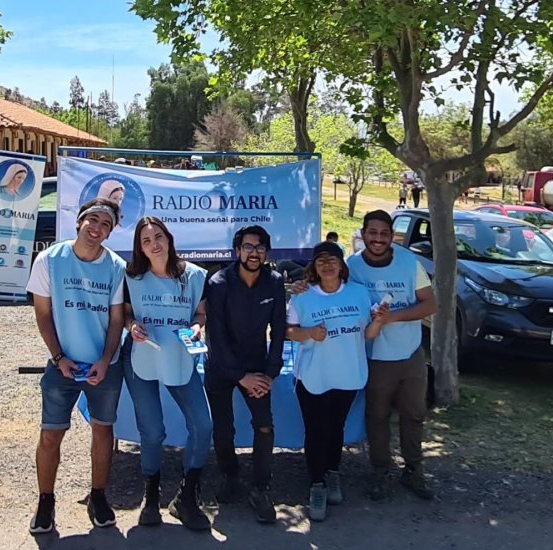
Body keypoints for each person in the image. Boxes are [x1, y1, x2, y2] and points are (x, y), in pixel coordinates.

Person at [24, 197, 126, 534]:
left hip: (103, 367)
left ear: (110, 233)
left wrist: (105, 360)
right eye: (93, 220)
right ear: (80, 221)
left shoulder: (116, 267)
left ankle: (98, 496)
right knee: (51, 434)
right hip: (62, 365)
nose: (97, 229)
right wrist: (58, 358)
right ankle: (45, 500)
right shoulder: (49, 260)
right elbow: (42, 313)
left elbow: (116, 320)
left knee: (103, 431)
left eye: (105, 225)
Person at [122, 216, 213, 530]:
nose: (154, 245)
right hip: (142, 359)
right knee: (152, 431)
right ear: (140, 248)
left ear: (169, 238)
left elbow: (200, 312)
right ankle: (151, 498)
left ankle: (186, 498)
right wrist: (131, 326)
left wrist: (198, 327)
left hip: (180, 357)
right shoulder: (131, 277)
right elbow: (126, 315)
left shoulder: (195, 275)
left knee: (203, 425)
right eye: (146, 241)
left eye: (158, 237)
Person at [286, 241, 386, 521]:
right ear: (314, 268)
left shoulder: (359, 293)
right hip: (313, 375)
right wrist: (307, 333)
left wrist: (379, 321)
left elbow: (368, 333)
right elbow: (286, 331)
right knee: (316, 430)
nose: (327, 264)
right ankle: (316, 484)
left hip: (348, 373)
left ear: (342, 266)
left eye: (333, 259)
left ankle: (333, 474)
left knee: (336, 428)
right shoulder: (303, 297)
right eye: (321, 261)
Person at [346, 210, 437, 501]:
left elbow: (430, 305)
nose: (378, 239)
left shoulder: (409, 261)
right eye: (372, 233)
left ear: (392, 236)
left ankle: (414, 471)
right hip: (374, 356)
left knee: (414, 415)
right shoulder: (352, 266)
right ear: (363, 234)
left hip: (410, 354)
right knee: (377, 417)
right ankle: (380, 472)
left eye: (384, 234)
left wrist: (391, 318)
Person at [205, 225, 286, 524]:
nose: (254, 253)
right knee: (223, 430)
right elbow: (216, 337)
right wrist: (241, 376)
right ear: (237, 251)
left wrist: (269, 374)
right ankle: (231, 477)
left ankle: (260, 487)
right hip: (222, 367)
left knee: (264, 427)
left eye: (260, 247)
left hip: (258, 367)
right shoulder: (219, 283)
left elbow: (278, 331)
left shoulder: (274, 282)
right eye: (248, 247)